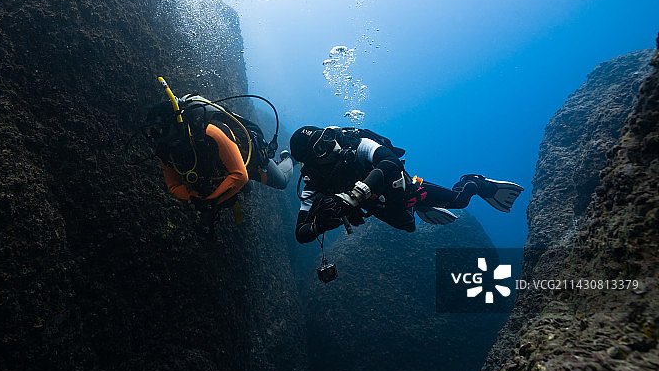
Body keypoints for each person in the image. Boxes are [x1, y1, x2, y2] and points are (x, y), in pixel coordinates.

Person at [289, 125, 523, 243]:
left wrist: (354, 196)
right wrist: (320, 224)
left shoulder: (356, 144)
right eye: (321, 148)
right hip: (379, 206)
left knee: (459, 201)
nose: (332, 145)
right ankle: (418, 208)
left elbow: (390, 161)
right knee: (409, 225)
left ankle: (473, 183)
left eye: (327, 136)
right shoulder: (313, 182)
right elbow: (301, 234)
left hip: (403, 187)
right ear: (311, 162)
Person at [143, 90, 293, 230]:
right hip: (221, 170)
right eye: (149, 132)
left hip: (249, 162)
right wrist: (195, 198)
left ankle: (288, 158)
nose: (156, 137)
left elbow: (240, 175)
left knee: (282, 181)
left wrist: (209, 202)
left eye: (159, 129)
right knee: (236, 189)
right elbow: (174, 187)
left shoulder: (210, 131)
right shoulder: (165, 149)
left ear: (175, 122)